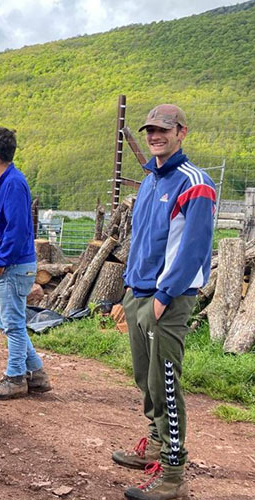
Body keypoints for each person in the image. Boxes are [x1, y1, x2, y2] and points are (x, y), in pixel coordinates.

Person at [114, 104, 215, 500]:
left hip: (168, 300)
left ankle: (173, 473)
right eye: (151, 130)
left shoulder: (195, 182)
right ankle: (155, 445)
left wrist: (164, 294)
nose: (155, 136)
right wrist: (126, 290)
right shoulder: (151, 182)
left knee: (166, 383)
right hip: (139, 295)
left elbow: (194, 248)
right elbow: (140, 242)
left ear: (182, 133)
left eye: (164, 130)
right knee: (146, 378)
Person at [0, 127, 50, 400]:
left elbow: (19, 228)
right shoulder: (5, 181)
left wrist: (2, 259)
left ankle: (15, 378)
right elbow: (7, 222)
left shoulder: (13, 183)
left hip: (14, 265)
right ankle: (38, 375)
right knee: (10, 321)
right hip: (13, 263)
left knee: (13, 324)